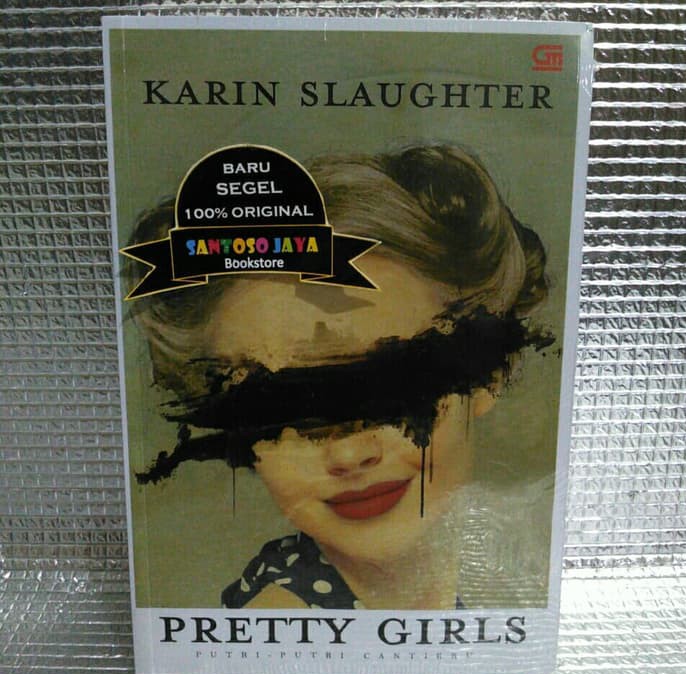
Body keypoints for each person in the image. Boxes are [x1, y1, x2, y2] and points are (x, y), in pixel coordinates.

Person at [127, 145, 549, 610]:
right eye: (281, 411)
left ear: (487, 372)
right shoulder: (283, 621)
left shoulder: (503, 580)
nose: (348, 453)